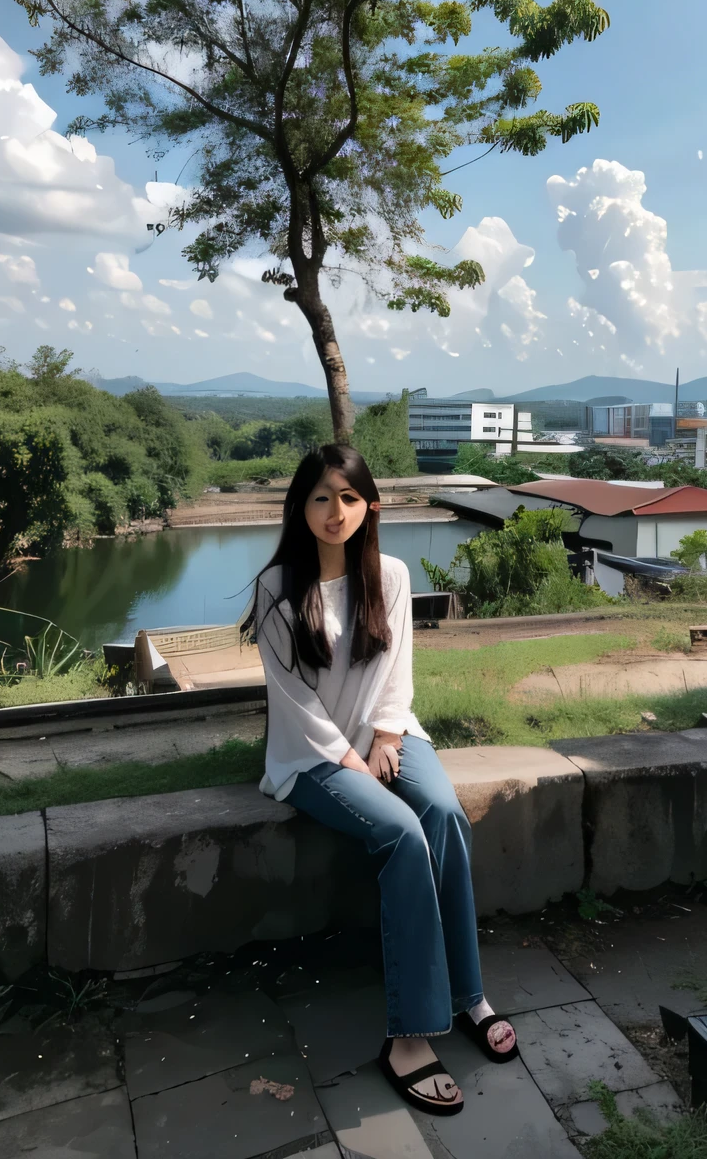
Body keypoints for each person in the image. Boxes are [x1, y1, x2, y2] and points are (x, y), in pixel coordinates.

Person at [244, 444, 517, 1117]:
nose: (333, 512)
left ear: (370, 505)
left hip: (390, 733)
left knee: (444, 815)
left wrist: (389, 736)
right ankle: (409, 1037)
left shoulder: (389, 575)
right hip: (310, 755)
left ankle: (467, 997)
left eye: (347, 497)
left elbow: (396, 672)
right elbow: (295, 703)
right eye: (319, 498)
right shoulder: (277, 588)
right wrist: (353, 761)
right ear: (298, 507)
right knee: (399, 832)